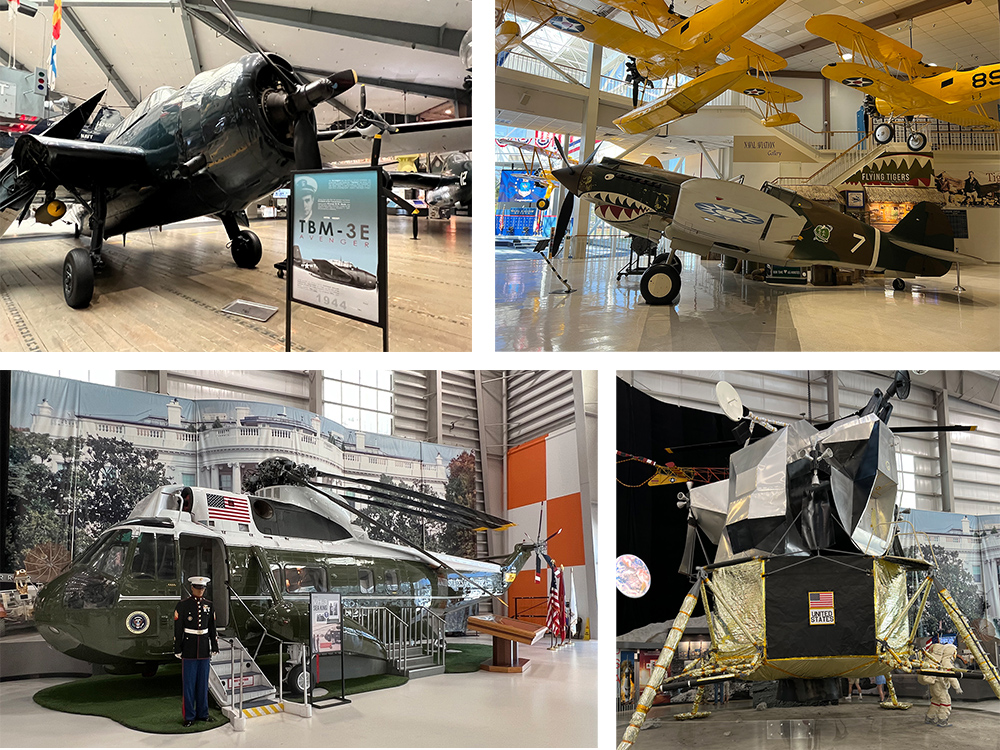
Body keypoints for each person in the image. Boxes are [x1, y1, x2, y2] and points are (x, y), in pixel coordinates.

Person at [174, 576, 219, 727]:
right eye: (198, 588)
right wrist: (177, 648)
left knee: (202, 684)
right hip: (189, 648)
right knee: (189, 684)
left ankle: (203, 713)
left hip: (204, 649)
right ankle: (189, 716)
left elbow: (212, 628)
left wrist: (214, 645)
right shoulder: (183, 605)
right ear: (192, 588)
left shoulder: (209, 605)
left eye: (203, 588)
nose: (200, 591)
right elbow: (178, 628)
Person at [921, 636, 963, 728]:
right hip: (940, 685)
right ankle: (942, 720)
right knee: (945, 701)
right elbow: (950, 674)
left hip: (934, 683)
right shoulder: (946, 661)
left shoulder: (936, 660)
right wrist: (957, 687)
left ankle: (929, 717)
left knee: (935, 700)